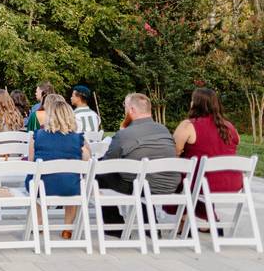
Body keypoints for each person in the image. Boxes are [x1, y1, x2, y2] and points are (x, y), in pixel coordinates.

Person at [97, 93, 181, 227]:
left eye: (125, 106)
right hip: (169, 185)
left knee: (98, 175)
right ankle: (149, 225)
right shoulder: (164, 130)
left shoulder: (125, 134)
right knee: (140, 178)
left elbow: (107, 164)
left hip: (141, 186)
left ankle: (115, 226)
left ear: (131, 110)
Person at [26, 94, 90, 238]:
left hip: (43, 185)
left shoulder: (37, 135)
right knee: (72, 181)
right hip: (70, 186)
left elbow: (31, 162)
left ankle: (40, 223)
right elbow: (87, 160)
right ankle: (67, 228)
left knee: (37, 181)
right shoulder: (77, 138)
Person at [174, 87, 241, 223]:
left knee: (177, 174)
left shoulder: (188, 125)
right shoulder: (230, 126)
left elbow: (173, 152)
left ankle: (184, 219)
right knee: (200, 175)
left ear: (195, 104)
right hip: (232, 183)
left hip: (202, 183)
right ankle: (207, 219)